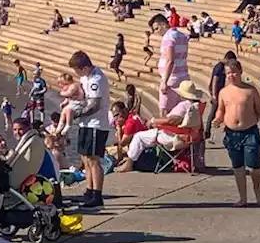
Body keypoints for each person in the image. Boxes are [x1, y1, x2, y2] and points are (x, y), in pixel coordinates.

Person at [212, 59, 260, 207]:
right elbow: (221, 109)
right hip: (231, 133)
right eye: (228, 73)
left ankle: (256, 187)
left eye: (234, 72)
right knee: (238, 166)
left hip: (250, 131)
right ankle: (243, 197)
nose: (231, 76)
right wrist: (217, 119)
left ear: (240, 72)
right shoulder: (223, 92)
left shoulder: (250, 90)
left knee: (254, 166)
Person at [116, 80, 204, 172]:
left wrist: (154, 122)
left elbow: (172, 121)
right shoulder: (196, 106)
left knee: (138, 137)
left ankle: (129, 163)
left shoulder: (184, 105)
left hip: (174, 137)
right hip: (189, 137)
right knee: (146, 134)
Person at [67, 50, 112, 212]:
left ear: (84, 67)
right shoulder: (85, 77)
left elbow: (94, 105)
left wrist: (77, 114)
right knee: (85, 158)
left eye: (77, 70)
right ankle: (89, 189)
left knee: (94, 160)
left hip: (96, 124)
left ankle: (97, 194)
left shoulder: (97, 79)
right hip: (85, 124)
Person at [150, 13, 190, 116]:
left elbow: (170, 60)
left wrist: (164, 81)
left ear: (163, 24)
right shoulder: (181, 35)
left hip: (171, 79)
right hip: (183, 76)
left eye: (156, 28)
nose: (156, 32)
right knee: (180, 111)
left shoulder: (168, 38)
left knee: (165, 111)